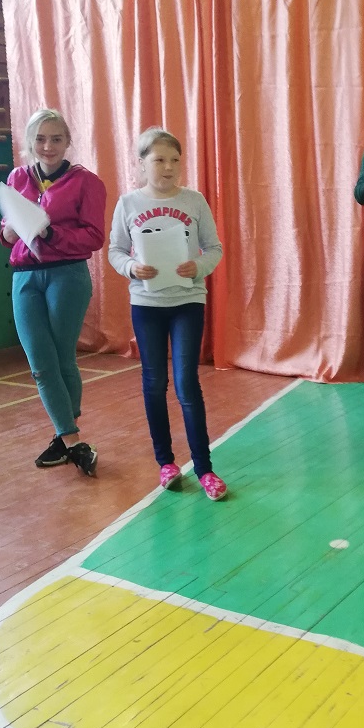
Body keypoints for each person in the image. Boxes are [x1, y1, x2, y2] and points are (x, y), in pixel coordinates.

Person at [108, 127, 228, 500]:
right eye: (159, 159)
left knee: (186, 382)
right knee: (154, 381)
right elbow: (115, 250)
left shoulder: (194, 201)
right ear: (141, 163)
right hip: (147, 306)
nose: (168, 167)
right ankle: (166, 463)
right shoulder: (128, 203)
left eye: (175, 160)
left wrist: (199, 266)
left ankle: (205, 468)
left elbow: (214, 248)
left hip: (188, 301)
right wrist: (131, 268)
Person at [0, 108, 106, 475]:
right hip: (24, 277)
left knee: (61, 360)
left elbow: (94, 237)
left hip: (68, 276)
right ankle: (72, 441)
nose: (48, 146)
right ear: (30, 142)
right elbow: (6, 232)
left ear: (67, 142)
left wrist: (49, 232)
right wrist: (9, 231)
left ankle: (66, 438)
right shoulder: (17, 177)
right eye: (41, 139)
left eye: (56, 138)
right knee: (41, 366)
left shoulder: (87, 182)